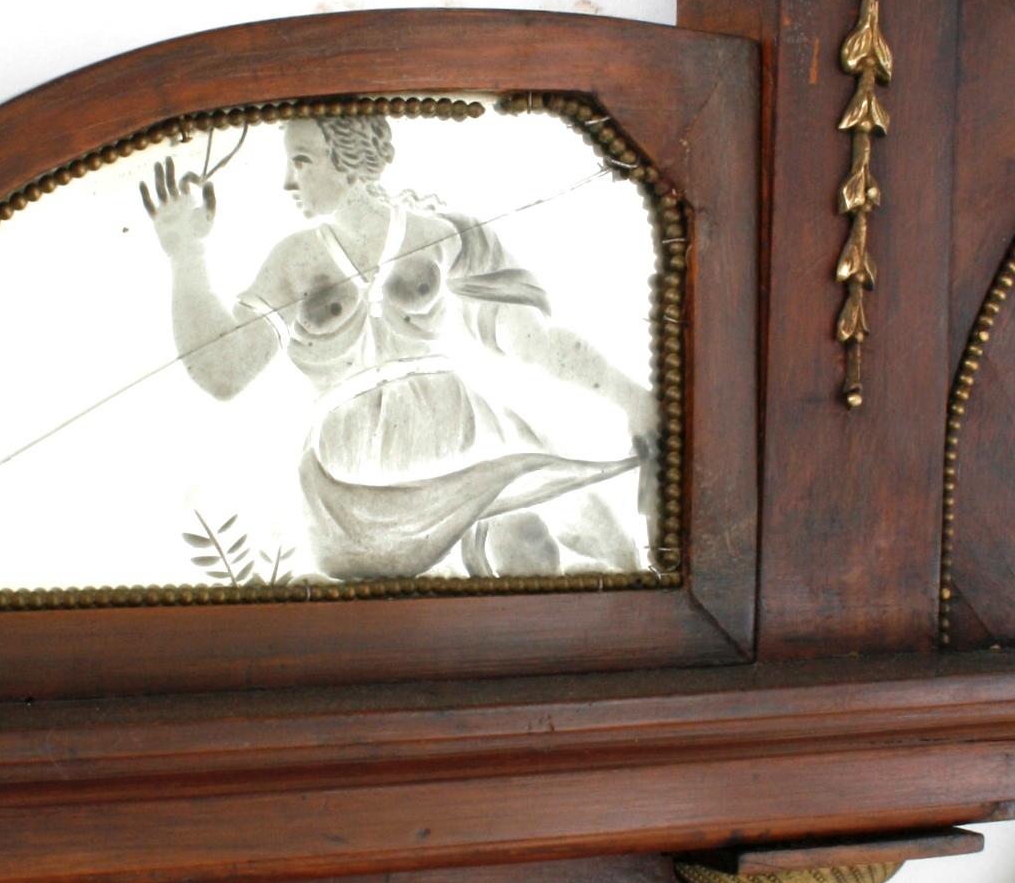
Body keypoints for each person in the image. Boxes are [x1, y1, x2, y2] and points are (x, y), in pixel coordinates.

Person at [142, 111, 655, 581]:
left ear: (348, 165)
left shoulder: (441, 233)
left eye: (301, 161)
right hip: (359, 490)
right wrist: (185, 254)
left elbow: (531, 339)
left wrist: (633, 397)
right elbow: (223, 373)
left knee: (532, 549)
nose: (287, 181)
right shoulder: (294, 259)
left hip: (472, 444)